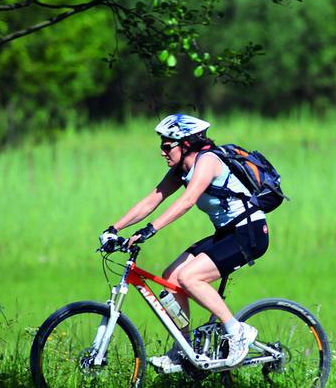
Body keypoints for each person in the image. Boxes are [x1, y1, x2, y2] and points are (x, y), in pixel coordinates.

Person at [99, 113, 268, 372]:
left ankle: (237, 332)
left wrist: (150, 229)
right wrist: (114, 228)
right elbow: (153, 199)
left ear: (186, 143)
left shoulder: (209, 161)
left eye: (168, 146)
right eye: (161, 146)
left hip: (250, 232)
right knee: (172, 277)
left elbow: (187, 201)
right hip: (227, 233)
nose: (162, 152)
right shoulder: (181, 169)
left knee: (190, 277)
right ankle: (183, 349)